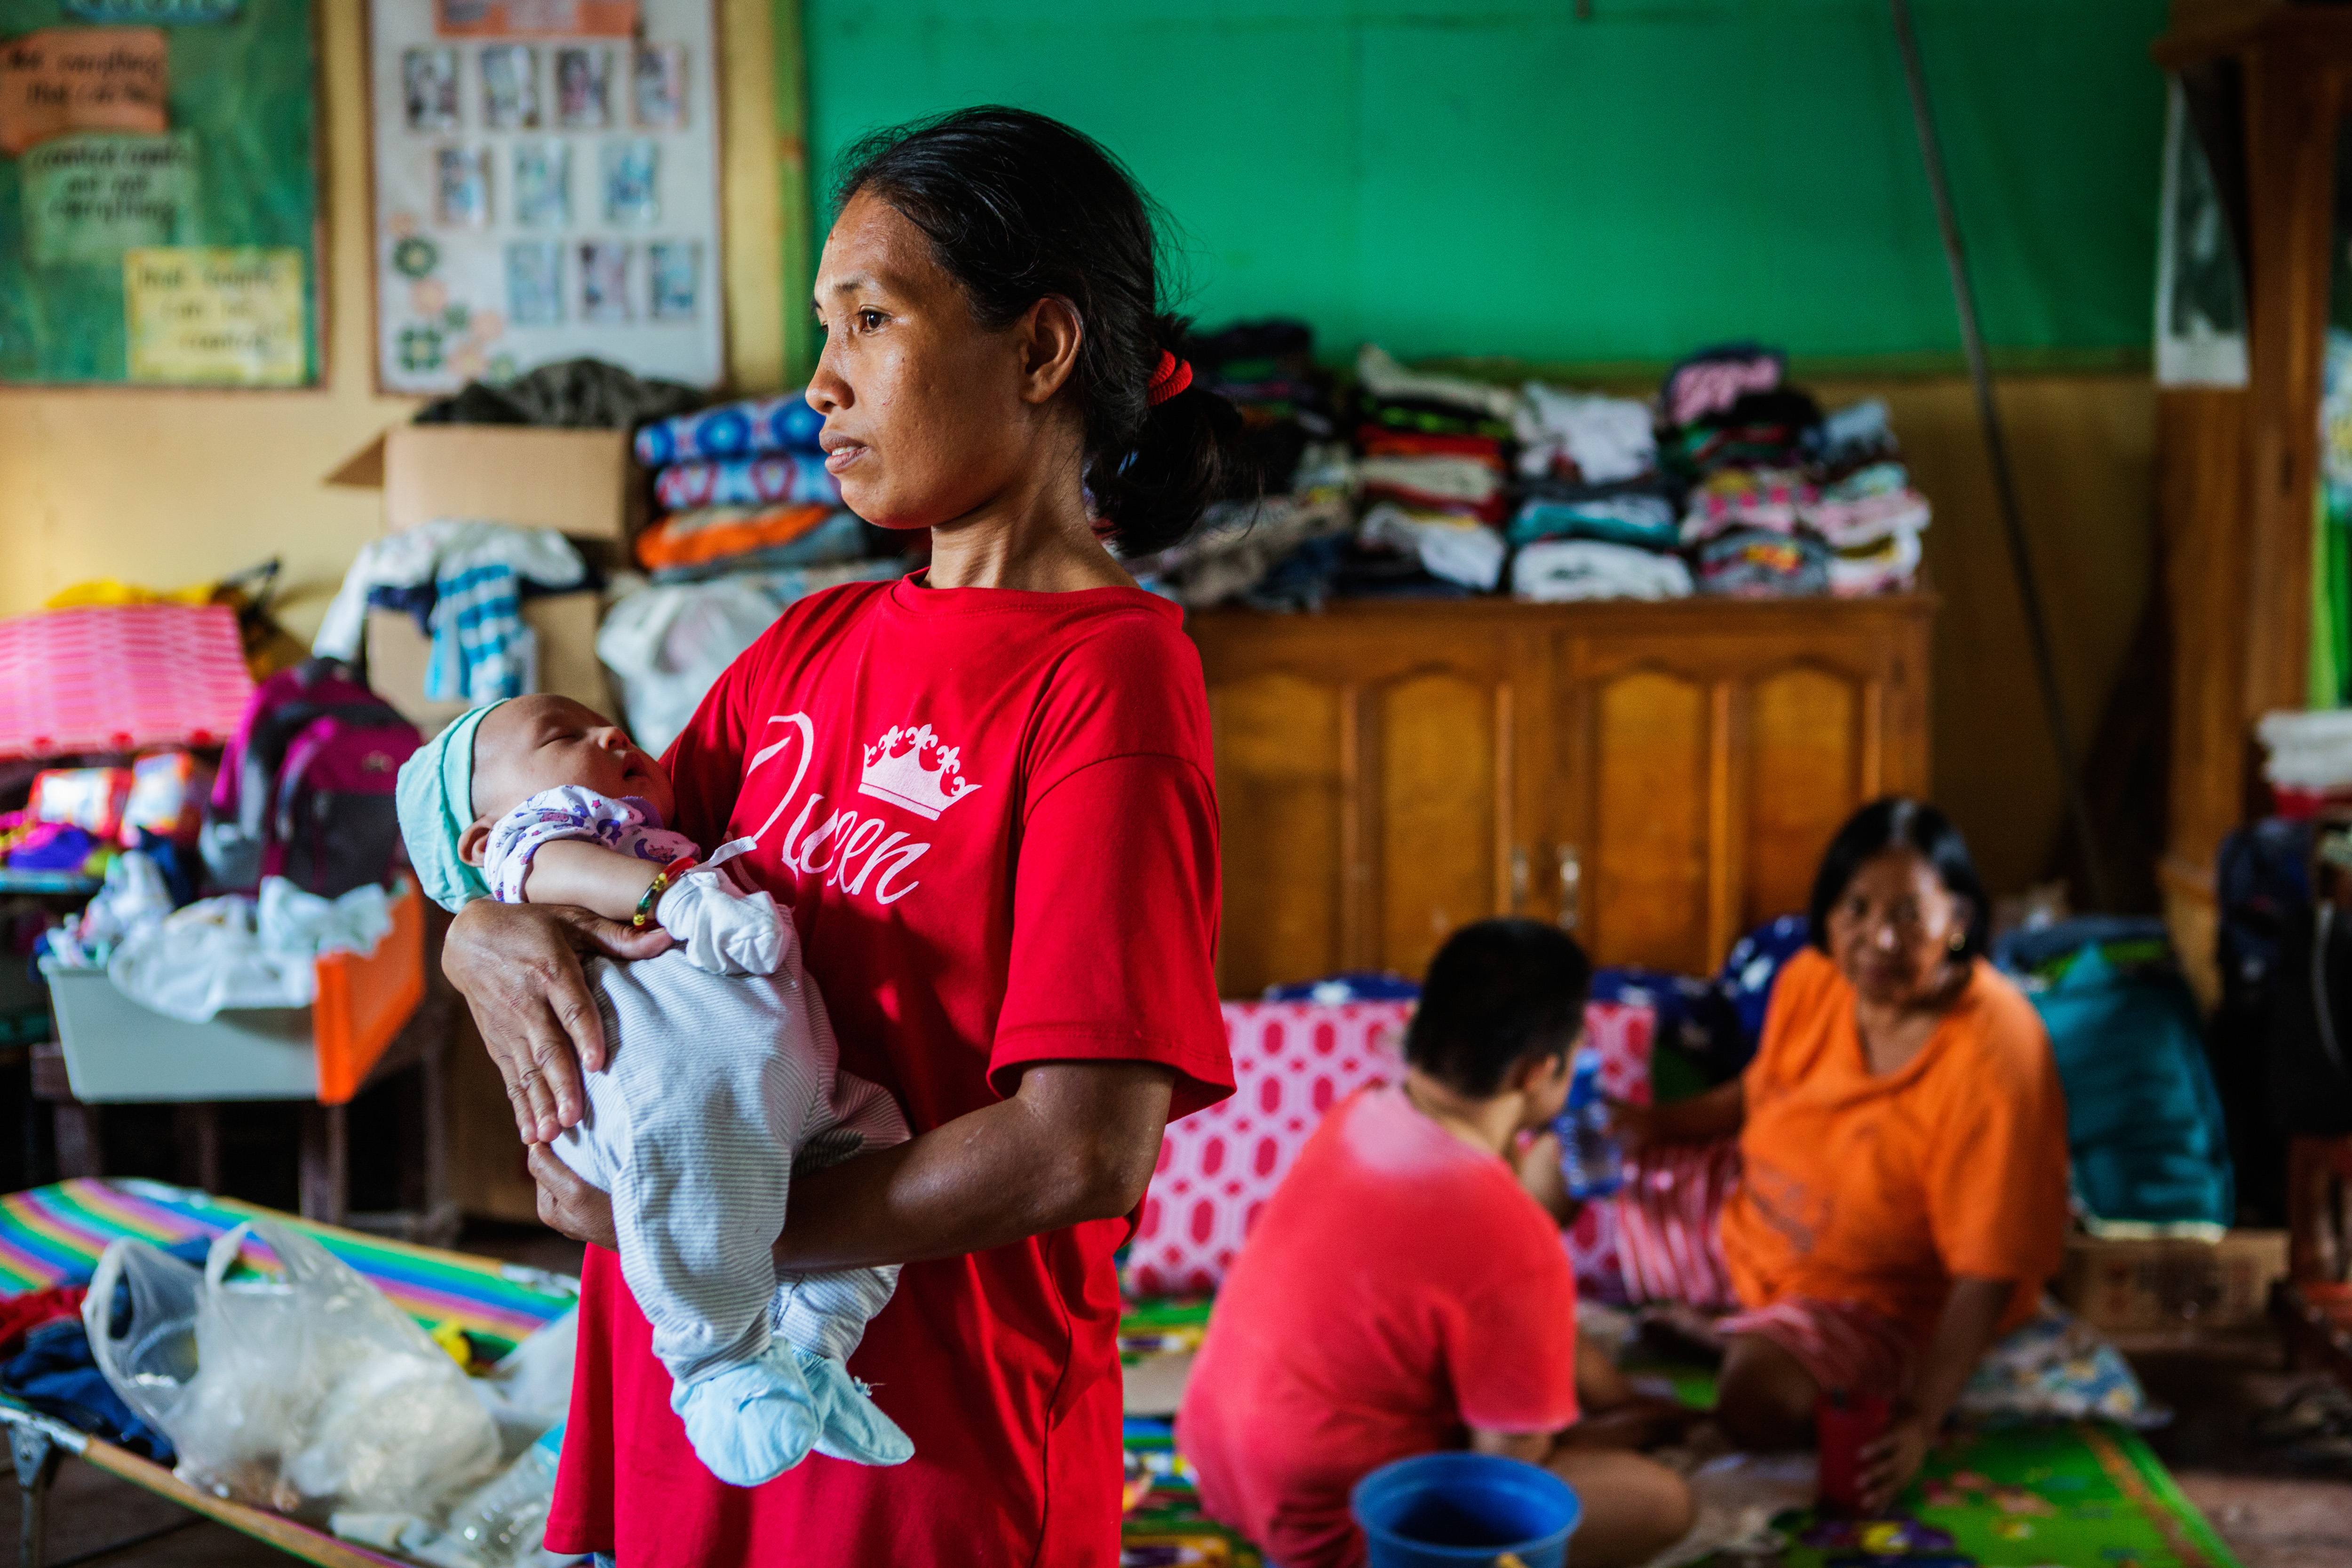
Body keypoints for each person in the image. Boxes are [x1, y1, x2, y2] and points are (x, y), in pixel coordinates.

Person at [439, 107, 1240, 1565]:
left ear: (1043, 350)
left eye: (871, 320)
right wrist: (475, 933)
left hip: (914, 1432)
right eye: (828, 326)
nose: (820, 382)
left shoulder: (1107, 675)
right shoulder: (804, 643)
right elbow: (574, 864)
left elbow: (1083, 1149)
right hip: (685, 1373)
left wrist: (710, 1234)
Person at [394, 693, 912, 1486]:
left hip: (787, 1077)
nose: (611, 734)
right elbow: (554, 863)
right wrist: (669, 896)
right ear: (483, 836)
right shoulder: (542, 841)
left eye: (613, 727)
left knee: (880, 1144)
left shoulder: (652, 833)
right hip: (673, 1083)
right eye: (562, 735)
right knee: (697, 1181)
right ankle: (720, 1367)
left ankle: (812, 1354)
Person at [1178, 919, 1696, 1568]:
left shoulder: (1362, 1113)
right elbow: (1507, 1474)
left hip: (1219, 1463)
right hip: (1339, 1524)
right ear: (1539, 1072)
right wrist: (1607, 1432)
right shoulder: (1513, 1236)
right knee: (1662, 1501)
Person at [1620, 798, 2069, 1512]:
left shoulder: (1998, 1046)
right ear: (1826, 916)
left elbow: (1989, 1265)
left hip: (1874, 1297)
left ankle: (1734, 1339)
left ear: (1958, 920)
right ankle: (1724, 1323)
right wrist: (1650, 1126)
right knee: (1561, 1169)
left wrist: (1922, 1419)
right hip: (1750, 1220)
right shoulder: (1811, 978)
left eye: (1908, 914)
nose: (1877, 938)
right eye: (1854, 909)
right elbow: (1755, 1093)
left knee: (1756, 1403)